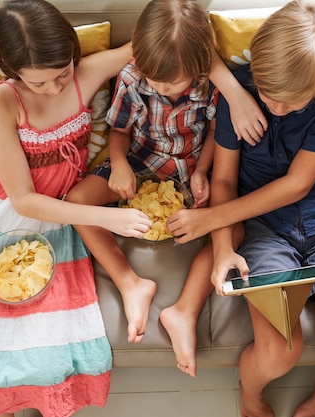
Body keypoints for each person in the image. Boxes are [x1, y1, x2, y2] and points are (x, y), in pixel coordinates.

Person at [0, 1, 157, 416]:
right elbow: (23, 199)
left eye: (62, 73)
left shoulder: (83, 76)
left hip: (60, 209)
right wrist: (108, 216)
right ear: (14, 72)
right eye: (40, 82)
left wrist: (231, 90)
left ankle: (40, 399)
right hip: (5, 205)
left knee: (46, 336)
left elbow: (161, 41)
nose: (55, 88)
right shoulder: (3, 102)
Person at [165, 1, 315, 415]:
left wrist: (211, 219)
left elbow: (299, 184)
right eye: (269, 96)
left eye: (293, 102)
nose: (277, 108)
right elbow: (225, 180)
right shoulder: (241, 92)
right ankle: (250, 397)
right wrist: (223, 246)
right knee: (278, 352)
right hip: (264, 228)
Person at [65, 0, 267, 345]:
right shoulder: (131, 79)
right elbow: (119, 132)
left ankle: (183, 311)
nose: (164, 90)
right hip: (141, 161)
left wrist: (203, 172)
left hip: (190, 169)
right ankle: (131, 285)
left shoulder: (208, 85)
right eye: (157, 83)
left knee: (232, 233)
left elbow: (218, 134)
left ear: (199, 66)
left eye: (173, 84)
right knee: (78, 200)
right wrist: (120, 166)